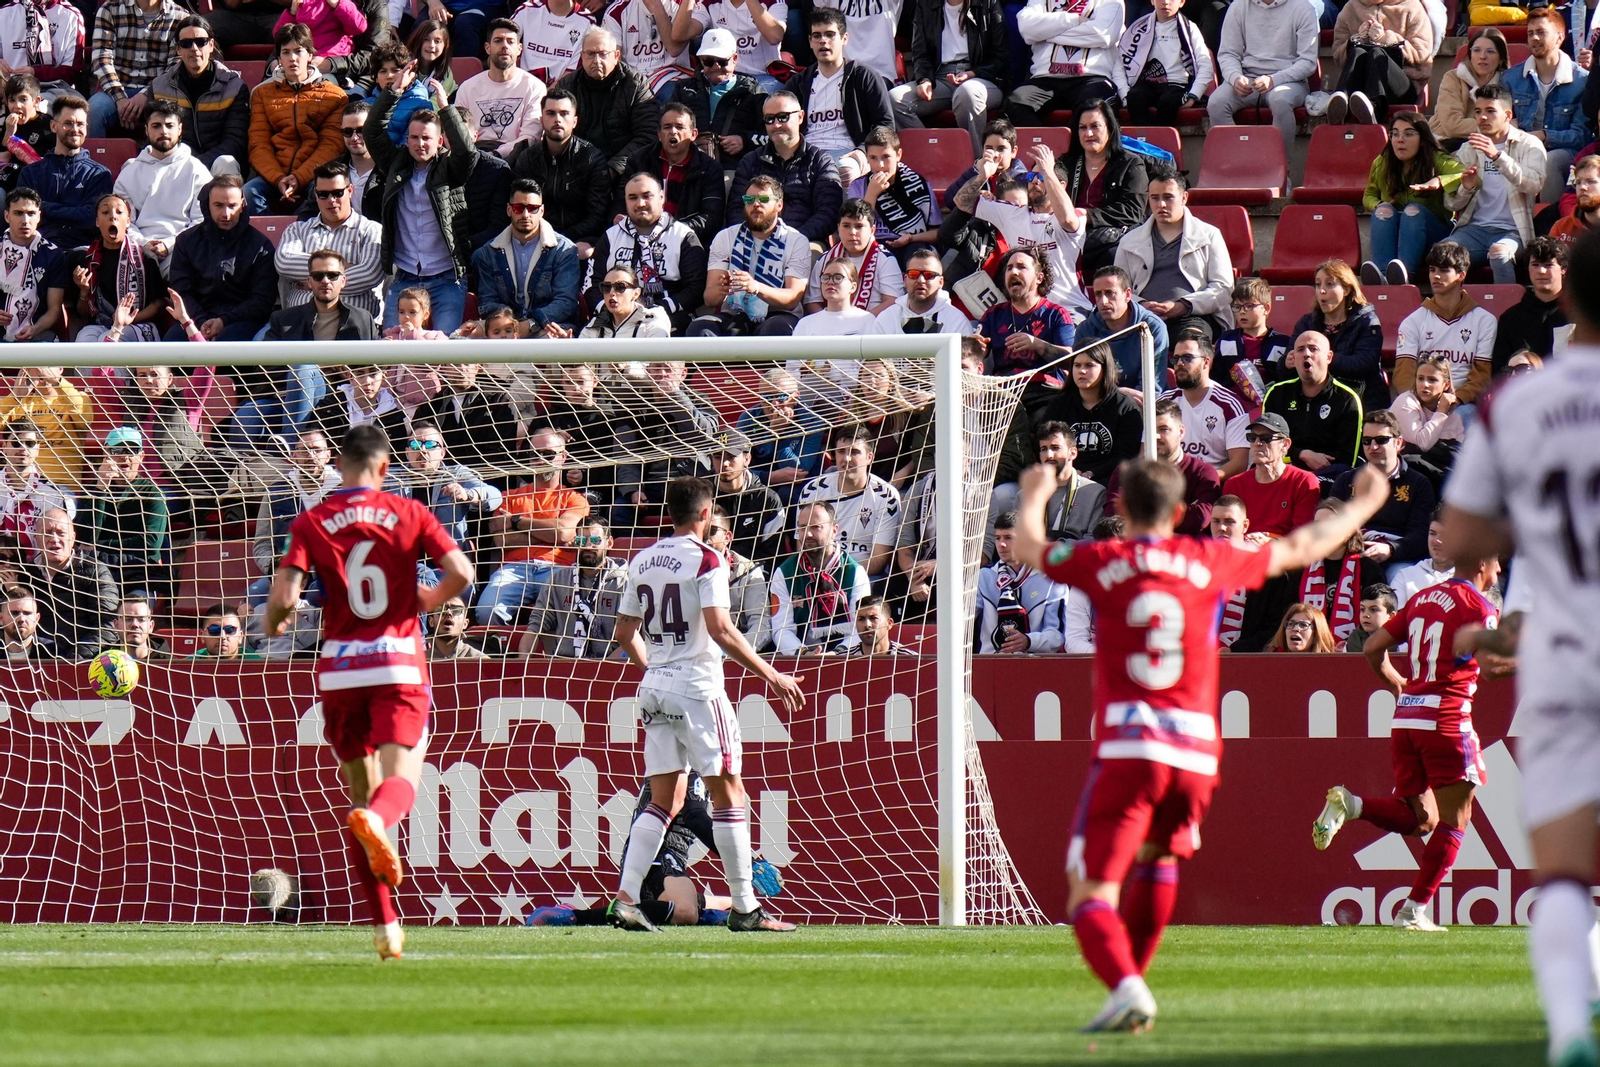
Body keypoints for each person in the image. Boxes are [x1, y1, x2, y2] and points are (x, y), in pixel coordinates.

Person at [1010, 456, 1390, 1030]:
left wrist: (1036, 493)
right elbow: (1302, 546)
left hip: (1130, 747)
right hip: (1195, 751)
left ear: (1118, 507)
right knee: (1159, 859)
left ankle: (1126, 984)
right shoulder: (1208, 558)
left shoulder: (1102, 559)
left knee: (1089, 889)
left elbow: (1031, 548)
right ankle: (1129, 994)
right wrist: (1362, 505)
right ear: (1185, 513)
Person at [1436, 231, 1600, 1066]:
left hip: (1568, 644)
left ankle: (1571, 1028)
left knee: (1567, 870)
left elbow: (1460, 535)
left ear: (1567, 298)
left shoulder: (1517, 403)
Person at [264, 423, 473, 961]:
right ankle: (381, 823)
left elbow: (285, 593)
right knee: (397, 788)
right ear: (385, 468)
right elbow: (461, 572)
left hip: (337, 671)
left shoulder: (312, 519)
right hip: (398, 663)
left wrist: (274, 623)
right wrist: (424, 601)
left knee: (360, 796)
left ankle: (385, 928)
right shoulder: (410, 513)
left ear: (338, 465)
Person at [610, 476, 804, 933]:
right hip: (698, 687)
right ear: (704, 514)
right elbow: (720, 629)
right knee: (729, 794)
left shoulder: (641, 560)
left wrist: (657, 669)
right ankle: (745, 908)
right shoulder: (707, 558)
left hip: (655, 685)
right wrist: (772, 673)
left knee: (664, 800)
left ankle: (625, 898)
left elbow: (623, 632)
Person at [1313, 555, 1503, 931]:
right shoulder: (1478, 606)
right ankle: (1412, 912)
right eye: (1496, 564)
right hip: (1446, 717)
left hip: (1407, 717)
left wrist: (1400, 685)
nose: (1498, 572)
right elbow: (1494, 668)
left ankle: (1352, 805)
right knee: (1456, 820)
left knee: (1422, 820)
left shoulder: (1422, 598)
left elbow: (1371, 648)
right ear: (1481, 563)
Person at [366, 92, 478, 335]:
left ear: (439, 141)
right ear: (406, 140)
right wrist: (392, 94)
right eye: (414, 138)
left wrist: (446, 109)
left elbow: (468, 153)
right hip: (406, 275)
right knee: (392, 351)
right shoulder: (396, 163)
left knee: (445, 353)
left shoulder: (450, 168)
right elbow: (372, 133)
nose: (420, 144)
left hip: (446, 277)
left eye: (427, 138)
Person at [953, 142, 1088, 318]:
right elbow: (962, 202)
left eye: (1042, 176)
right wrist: (981, 177)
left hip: (1070, 309)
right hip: (1025, 311)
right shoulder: (1012, 213)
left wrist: (1049, 172)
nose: (1034, 181)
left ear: (1061, 185)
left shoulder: (1078, 215)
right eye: (1032, 175)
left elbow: (1068, 220)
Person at [476, 429, 592, 625]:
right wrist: (552, 535)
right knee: (486, 612)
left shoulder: (575, 498)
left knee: (570, 614)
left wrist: (516, 521)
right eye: (534, 454)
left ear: (563, 457)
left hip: (558, 567)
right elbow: (502, 540)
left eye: (548, 454)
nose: (540, 459)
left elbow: (563, 532)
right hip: (514, 568)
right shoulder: (508, 496)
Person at [1113, 164, 1234, 344]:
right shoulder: (1129, 241)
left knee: (1191, 344)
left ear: (1184, 197)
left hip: (1194, 316)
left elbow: (1223, 288)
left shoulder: (1209, 235)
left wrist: (1183, 306)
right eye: (1155, 198)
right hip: (1142, 316)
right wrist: (1142, 305)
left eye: (1168, 197)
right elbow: (1118, 289)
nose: (1161, 204)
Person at [244, 24, 348, 216]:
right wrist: (277, 178)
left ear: (310, 55)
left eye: (298, 51)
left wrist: (299, 177)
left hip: (313, 176)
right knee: (248, 193)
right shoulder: (262, 93)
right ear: (279, 58)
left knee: (322, 195)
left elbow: (331, 145)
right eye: (286, 52)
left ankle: (299, 237)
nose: (292, 58)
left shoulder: (334, 95)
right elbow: (259, 143)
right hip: (273, 175)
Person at [1447, 84, 1545, 285]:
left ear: (1508, 115)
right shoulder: (1468, 148)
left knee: (1499, 256)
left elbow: (1534, 185)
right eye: (1478, 112)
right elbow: (1451, 205)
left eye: (1490, 111)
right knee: (1442, 255)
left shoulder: (1529, 144)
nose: (1482, 117)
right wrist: (1466, 188)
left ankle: (1506, 313)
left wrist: (1498, 157)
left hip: (1513, 231)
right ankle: (1450, 313)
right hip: (1474, 230)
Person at [690, 174, 811, 336]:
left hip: (779, 314)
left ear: (779, 205)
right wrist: (722, 289)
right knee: (700, 328)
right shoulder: (725, 237)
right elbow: (710, 299)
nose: (755, 204)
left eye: (763, 199)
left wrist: (756, 288)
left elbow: (792, 298)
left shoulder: (796, 241)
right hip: (734, 312)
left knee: (776, 330)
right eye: (749, 200)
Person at [166, 174, 279, 342]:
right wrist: (202, 322)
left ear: (242, 206)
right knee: (168, 348)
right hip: (194, 320)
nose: (226, 214)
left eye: (232, 206)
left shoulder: (260, 246)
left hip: (242, 322)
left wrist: (224, 320)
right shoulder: (186, 241)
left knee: (228, 346)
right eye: (218, 205)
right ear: (207, 205)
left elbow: (262, 300)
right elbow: (181, 291)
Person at [787, 8, 893, 183]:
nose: (823, 41)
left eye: (830, 34)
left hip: (849, 153)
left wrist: (863, 150)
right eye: (817, 36)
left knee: (845, 171)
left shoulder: (864, 76)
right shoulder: (798, 83)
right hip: (806, 153)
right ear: (810, 41)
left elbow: (885, 124)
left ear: (844, 39)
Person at [1330, 409, 1436, 585]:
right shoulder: (1346, 481)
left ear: (1399, 442)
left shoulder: (1419, 484)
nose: (1373, 447)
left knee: (1402, 578)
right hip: (1351, 552)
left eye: (1381, 440)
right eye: (1367, 441)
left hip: (1396, 558)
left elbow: (1421, 535)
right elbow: (1331, 524)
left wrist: (1391, 549)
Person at [1359, 112, 1465, 286]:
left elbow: (1467, 175)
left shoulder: (1435, 158)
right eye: (1395, 134)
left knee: (1412, 211)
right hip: (1396, 232)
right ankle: (1384, 275)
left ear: (1422, 138)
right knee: (1383, 211)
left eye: (1408, 134)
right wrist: (1378, 204)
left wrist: (1439, 181)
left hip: (1434, 235)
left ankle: (1405, 276)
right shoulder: (1382, 162)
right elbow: (1369, 195)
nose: (1400, 139)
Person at [275, 161, 386, 325]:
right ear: (315, 194)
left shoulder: (372, 230)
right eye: (323, 194)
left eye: (337, 193)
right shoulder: (297, 230)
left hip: (352, 327)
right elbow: (284, 262)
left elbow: (370, 273)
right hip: (298, 326)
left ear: (350, 190)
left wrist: (315, 281)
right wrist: (341, 268)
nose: (331, 200)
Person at [727, 92, 843, 247]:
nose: (776, 125)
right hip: (755, 241)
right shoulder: (750, 161)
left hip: (804, 242)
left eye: (783, 117)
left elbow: (828, 213)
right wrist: (755, 238)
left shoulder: (821, 161)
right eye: (769, 119)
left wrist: (791, 240)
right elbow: (736, 209)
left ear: (801, 117)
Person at [891, 0, 1006, 155]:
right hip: (941, 78)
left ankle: (976, 164)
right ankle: (932, 156)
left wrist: (973, 73)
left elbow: (1000, 56)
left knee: (967, 93)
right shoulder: (925, 4)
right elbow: (920, 53)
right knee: (895, 100)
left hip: (981, 77)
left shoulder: (987, 3)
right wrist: (924, 79)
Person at [507, 90, 613, 256]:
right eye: (551, 113)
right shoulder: (528, 158)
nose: (557, 119)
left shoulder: (591, 158)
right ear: (542, 120)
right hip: (534, 237)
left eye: (564, 114)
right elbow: (519, 206)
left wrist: (559, 239)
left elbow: (597, 215)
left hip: (579, 240)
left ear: (575, 121)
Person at [1207, 0, 1318, 159]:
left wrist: (1274, 79)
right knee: (1217, 103)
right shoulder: (1239, 6)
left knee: (1280, 100)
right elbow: (1228, 54)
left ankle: (1280, 172)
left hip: (1289, 81)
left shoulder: (1303, 7)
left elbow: (1308, 62)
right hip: (1248, 77)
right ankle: (1237, 165)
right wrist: (1235, 77)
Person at [472, 178, 582, 334]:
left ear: (542, 211)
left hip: (548, 326)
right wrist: (512, 325)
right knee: (462, 337)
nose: (525, 214)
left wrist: (531, 324)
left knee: (552, 341)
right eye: (518, 208)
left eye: (532, 208)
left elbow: (566, 302)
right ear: (509, 210)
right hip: (503, 326)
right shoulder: (487, 253)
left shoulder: (564, 249)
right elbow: (487, 302)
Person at [1390, 242, 1495, 405]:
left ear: (1461, 275)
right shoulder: (1412, 322)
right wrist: (1420, 404)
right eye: (1432, 270)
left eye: (1444, 270)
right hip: (1419, 402)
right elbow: (1403, 374)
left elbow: (1481, 377)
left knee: (1466, 417)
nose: (1436, 276)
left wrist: (1456, 399)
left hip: (1463, 403)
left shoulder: (1485, 321)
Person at [795, 424, 903, 578]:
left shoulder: (886, 496)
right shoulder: (813, 491)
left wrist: (840, 577)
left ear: (869, 457)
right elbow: (802, 547)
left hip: (863, 576)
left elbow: (879, 559)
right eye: (841, 451)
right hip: (817, 575)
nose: (846, 458)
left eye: (854, 452)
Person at [1505, 7, 1588, 203]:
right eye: (1530, 33)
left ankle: (1548, 223)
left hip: (1564, 153)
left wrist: (1544, 136)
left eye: (1541, 32)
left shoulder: (1581, 81)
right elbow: (1503, 119)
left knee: (1550, 160)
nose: (1534, 38)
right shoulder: (1511, 78)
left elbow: (1581, 136)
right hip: (1522, 147)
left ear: (1559, 38)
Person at [555, 27, 661, 178]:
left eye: (603, 54)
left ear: (616, 55)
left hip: (623, 171)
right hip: (576, 169)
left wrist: (611, 170)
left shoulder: (636, 85)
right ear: (582, 56)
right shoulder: (567, 86)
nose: (596, 61)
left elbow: (647, 135)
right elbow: (557, 134)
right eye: (590, 54)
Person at [769, 498, 872, 654]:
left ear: (834, 530)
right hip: (799, 661)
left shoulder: (855, 572)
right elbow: (781, 629)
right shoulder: (784, 572)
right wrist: (802, 653)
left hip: (845, 659)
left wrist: (835, 654)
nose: (808, 534)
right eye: (802, 528)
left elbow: (859, 630)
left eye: (816, 527)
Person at [150, 16, 251, 176]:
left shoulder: (234, 87)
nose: (194, 48)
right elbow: (156, 136)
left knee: (226, 163)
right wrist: (184, 163)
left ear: (211, 45)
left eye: (201, 42)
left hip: (217, 166)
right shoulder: (159, 87)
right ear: (178, 49)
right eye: (186, 43)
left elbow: (235, 143)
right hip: (177, 165)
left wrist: (195, 165)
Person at [1104, 399, 1220, 535]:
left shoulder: (1203, 473)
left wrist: (1139, 515)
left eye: (1163, 429)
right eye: (1150, 430)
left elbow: (1201, 518)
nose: (1156, 436)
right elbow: (1113, 514)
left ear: (1181, 432)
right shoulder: (1126, 472)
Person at [1262, 331, 1364, 483]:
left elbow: (1347, 458)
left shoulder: (1346, 399)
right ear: (1294, 357)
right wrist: (1302, 454)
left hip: (1327, 475)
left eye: (1313, 348)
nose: (1306, 354)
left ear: (1329, 357)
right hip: (1283, 470)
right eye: (1300, 349)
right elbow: (1266, 445)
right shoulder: (1277, 393)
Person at [1060, 103, 1149, 276]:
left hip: (1111, 240)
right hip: (1069, 237)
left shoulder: (1130, 163)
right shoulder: (1066, 164)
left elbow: (1133, 211)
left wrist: (1088, 216)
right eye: (1082, 128)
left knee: (1112, 258)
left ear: (1110, 128)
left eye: (1095, 126)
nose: (1088, 134)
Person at [110, 105, 204, 269]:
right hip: (136, 250)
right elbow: (122, 222)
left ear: (180, 129)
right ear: (146, 130)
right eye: (156, 126)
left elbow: (201, 221)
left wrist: (168, 245)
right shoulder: (128, 174)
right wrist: (144, 244)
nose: (164, 132)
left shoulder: (197, 171)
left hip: (182, 249)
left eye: (169, 125)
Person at [618, 105, 725, 246]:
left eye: (680, 127)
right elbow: (621, 200)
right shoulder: (639, 160)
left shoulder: (710, 168)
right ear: (659, 134)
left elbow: (711, 218)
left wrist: (670, 232)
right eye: (667, 127)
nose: (673, 131)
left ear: (693, 134)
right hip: (639, 236)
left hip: (686, 242)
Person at [1005, 0, 1122, 129]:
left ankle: (1073, 148)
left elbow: (1103, 34)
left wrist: (1046, 34)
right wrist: (1074, 19)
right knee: (1014, 102)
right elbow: (1027, 28)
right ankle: (1046, 145)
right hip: (1045, 78)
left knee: (1094, 104)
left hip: (1092, 77)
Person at [66, 193, 164, 344]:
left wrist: (127, 318)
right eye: (105, 212)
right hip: (101, 324)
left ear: (128, 220)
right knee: (84, 340)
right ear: (97, 222)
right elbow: (85, 314)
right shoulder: (87, 260)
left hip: (136, 324)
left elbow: (158, 304)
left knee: (106, 342)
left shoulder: (145, 257)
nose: (113, 217)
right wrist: (84, 291)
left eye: (119, 212)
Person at [1039, 344, 1143, 485]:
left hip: (1110, 481)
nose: (1082, 371)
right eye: (1077, 365)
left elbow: (1125, 456)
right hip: (1064, 477)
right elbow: (1045, 444)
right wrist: (1072, 472)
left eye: (1089, 365)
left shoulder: (1125, 406)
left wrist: (1092, 473)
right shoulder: (1059, 404)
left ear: (1105, 368)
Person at [527, 516, 629, 657]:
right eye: (581, 540)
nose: (587, 546)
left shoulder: (624, 583)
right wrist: (522, 663)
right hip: (564, 664)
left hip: (609, 664)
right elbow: (535, 627)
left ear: (609, 543)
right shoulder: (558, 580)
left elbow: (633, 637)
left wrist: (604, 669)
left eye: (595, 540)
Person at [82, 425, 167, 594]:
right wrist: (101, 488)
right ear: (106, 455)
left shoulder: (152, 493)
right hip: (99, 574)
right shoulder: (93, 490)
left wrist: (99, 546)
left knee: (135, 605)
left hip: (139, 575)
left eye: (132, 450)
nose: (124, 457)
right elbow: (85, 537)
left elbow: (150, 544)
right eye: (117, 450)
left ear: (141, 456)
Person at [1291, 260, 1386, 409]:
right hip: (1315, 400)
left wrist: (1322, 359)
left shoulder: (1366, 322)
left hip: (1360, 400)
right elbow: (1286, 367)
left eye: (1329, 284)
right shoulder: (1306, 323)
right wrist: (1286, 362)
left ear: (1346, 289)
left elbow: (1364, 363)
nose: (1322, 290)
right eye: (1318, 284)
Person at [27, 506, 117, 660]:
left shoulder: (95, 572)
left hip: (82, 662)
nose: (54, 539)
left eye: (61, 533)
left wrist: (74, 658)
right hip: (35, 661)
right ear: (36, 537)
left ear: (73, 537)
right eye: (47, 533)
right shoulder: (26, 574)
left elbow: (108, 628)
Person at [977, 248, 1074, 391]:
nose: (1014, 272)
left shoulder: (1056, 314)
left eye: (1021, 267)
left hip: (1044, 389)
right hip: (1002, 392)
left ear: (1039, 278)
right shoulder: (993, 314)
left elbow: (1071, 361)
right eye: (1009, 268)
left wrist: (1037, 345)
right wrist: (976, 348)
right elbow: (976, 353)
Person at [21, 95, 111, 250]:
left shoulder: (99, 174)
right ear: (53, 126)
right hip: (36, 251)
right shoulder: (30, 173)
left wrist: (43, 207)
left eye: (80, 124)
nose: (75, 130)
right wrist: (74, 212)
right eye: (68, 123)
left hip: (81, 252)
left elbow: (91, 219)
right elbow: (23, 215)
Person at [86, 0, 186, 138]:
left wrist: (146, 94)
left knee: (172, 115)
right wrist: (120, 99)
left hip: (158, 91)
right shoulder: (110, 9)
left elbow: (174, 68)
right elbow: (102, 60)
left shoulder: (180, 16)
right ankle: (90, 158)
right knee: (93, 111)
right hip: (116, 87)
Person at [977, 508, 1070, 653]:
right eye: (997, 538)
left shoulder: (1052, 579)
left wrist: (1028, 641)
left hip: (1036, 665)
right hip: (992, 664)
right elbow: (961, 621)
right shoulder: (984, 577)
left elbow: (1058, 635)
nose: (1001, 544)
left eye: (1008, 538)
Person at [1157, 334, 1248, 480]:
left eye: (1187, 358)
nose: (1179, 363)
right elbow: (1145, 453)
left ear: (1206, 362)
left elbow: (1239, 463)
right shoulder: (1163, 402)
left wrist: (1202, 479)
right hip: (1167, 483)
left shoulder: (1229, 404)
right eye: (1175, 359)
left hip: (1210, 483)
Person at [1325, 0, 1433, 123]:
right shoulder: (1350, 8)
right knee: (1357, 52)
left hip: (1402, 85)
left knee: (1377, 53)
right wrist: (1357, 39)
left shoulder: (1412, 7)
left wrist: (1386, 39)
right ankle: (1341, 103)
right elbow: (1338, 55)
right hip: (1360, 90)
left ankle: (1374, 108)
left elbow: (1421, 54)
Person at [847, 126, 941, 264]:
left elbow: (937, 233)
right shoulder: (858, 186)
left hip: (912, 243)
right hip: (874, 244)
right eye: (873, 158)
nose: (880, 165)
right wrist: (871, 195)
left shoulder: (918, 184)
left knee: (919, 257)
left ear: (898, 155)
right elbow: (854, 230)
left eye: (886, 157)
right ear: (867, 158)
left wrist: (911, 238)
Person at [672, 28, 767, 166]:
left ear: (734, 59)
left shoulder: (754, 92)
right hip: (688, 165)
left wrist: (744, 141)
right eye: (709, 61)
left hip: (735, 168)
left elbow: (771, 134)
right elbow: (665, 127)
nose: (716, 66)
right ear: (701, 60)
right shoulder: (683, 88)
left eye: (722, 61)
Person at [1115, 0, 1214, 127]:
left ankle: (1161, 142)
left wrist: (1193, 95)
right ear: (1152, 1)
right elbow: (1120, 65)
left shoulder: (1190, 29)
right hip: (1147, 84)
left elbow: (1205, 65)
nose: (1166, 2)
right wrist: (1124, 96)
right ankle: (1145, 142)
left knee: (1167, 102)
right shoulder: (1136, 29)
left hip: (1177, 85)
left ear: (1182, 2)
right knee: (1134, 97)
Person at [1221, 412, 1321, 538]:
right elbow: (1227, 530)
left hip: (1284, 554)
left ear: (1285, 445)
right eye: (1252, 438)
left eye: (1266, 438)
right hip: (1243, 552)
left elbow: (1302, 536)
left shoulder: (1304, 482)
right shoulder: (1234, 485)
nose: (1257, 443)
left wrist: (1270, 542)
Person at [455, 20, 546, 157]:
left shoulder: (534, 87)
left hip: (515, 159)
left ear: (519, 49)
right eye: (498, 41)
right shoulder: (467, 88)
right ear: (487, 48)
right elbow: (459, 133)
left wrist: (495, 155)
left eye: (510, 41)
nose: (504, 46)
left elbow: (530, 137)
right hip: (473, 157)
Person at [1073, 265, 1169, 393]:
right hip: (1098, 404)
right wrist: (1119, 395)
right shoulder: (1085, 330)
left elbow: (1152, 388)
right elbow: (1081, 384)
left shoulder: (1152, 328)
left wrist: (1123, 401)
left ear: (1127, 294)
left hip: (1143, 406)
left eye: (1110, 293)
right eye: (1098, 294)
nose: (1104, 301)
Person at [411, 362, 520, 474]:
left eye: (467, 363)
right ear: (444, 368)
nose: (461, 369)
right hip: (441, 481)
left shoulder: (499, 402)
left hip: (487, 482)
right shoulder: (430, 409)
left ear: (477, 367)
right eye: (455, 364)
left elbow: (500, 454)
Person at [735, 371, 826, 500]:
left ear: (795, 397)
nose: (774, 404)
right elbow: (736, 468)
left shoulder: (812, 421)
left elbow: (799, 470)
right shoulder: (748, 418)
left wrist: (780, 435)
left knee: (787, 494)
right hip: (758, 479)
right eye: (767, 397)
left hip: (799, 485)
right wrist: (770, 477)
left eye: (781, 396)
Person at [805, 199, 905, 315]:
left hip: (872, 328)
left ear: (872, 230)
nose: (852, 232)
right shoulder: (825, 259)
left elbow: (893, 302)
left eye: (859, 226)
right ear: (838, 228)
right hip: (831, 328)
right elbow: (812, 302)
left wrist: (859, 323)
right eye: (846, 226)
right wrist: (830, 322)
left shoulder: (886, 260)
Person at [263, 248, 381, 341]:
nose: (325, 281)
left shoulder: (363, 319)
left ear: (343, 281)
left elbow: (376, 364)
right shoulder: (283, 320)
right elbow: (267, 367)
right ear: (309, 282)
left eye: (333, 275)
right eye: (318, 276)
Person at [0, 187, 68, 344]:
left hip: (37, 333)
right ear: (6, 216)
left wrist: (35, 329)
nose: (25, 220)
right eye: (18, 213)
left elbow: (54, 309)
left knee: (43, 367)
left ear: (39, 216)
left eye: (31, 213)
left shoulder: (53, 254)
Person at [1491, 235, 1568, 369]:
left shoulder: (1582, 315)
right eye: (1535, 265)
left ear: (1563, 269)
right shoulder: (1511, 319)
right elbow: (1500, 371)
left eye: (1548, 265)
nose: (1541, 271)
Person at [0, 418, 75, 551]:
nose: (23, 448)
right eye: (16, 443)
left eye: (30, 443)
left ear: (38, 449)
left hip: (38, 568)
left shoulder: (53, 495)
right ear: (4, 446)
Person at [1213, 277, 1292, 401]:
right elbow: (1216, 377)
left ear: (1266, 308)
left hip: (1269, 403)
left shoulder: (1282, 343)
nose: (1242, 312)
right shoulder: (1226, 340)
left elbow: (1286, 379)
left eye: (1249, 306)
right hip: (1230, 403)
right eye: (1237, 307)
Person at [1391, 355, 1464, 481]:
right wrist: (1441, 412)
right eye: (1420, 378)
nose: (1425, 384)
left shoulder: (1454, 417)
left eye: (1432, 380)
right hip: (1403, 473)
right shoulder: (1405, 401)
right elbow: (1423, 443)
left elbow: (1458, 455)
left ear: (1446, 385)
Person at [1433, 27, 1506, 145]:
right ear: (1470, 54)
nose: (1482, 56)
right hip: (1446, 142)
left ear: (1501, 58)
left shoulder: (1508, 82)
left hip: (1493, 144)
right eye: (1476, 50)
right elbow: (1452, 125)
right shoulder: (1453, 77)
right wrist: (1498, 124)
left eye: (1490, 51)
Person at [876, 247, 972, 334]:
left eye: (929, 275)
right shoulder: (887, 318)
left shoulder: (956, 321)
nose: (921, 280)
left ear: (940, 282)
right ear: (905, 279)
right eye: (913, 274)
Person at [793, 258, 884, 337]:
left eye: (838, 277)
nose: (830, 282)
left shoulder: (867, 320)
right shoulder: (805, 324)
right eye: (826, 277)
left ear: (853, 287)